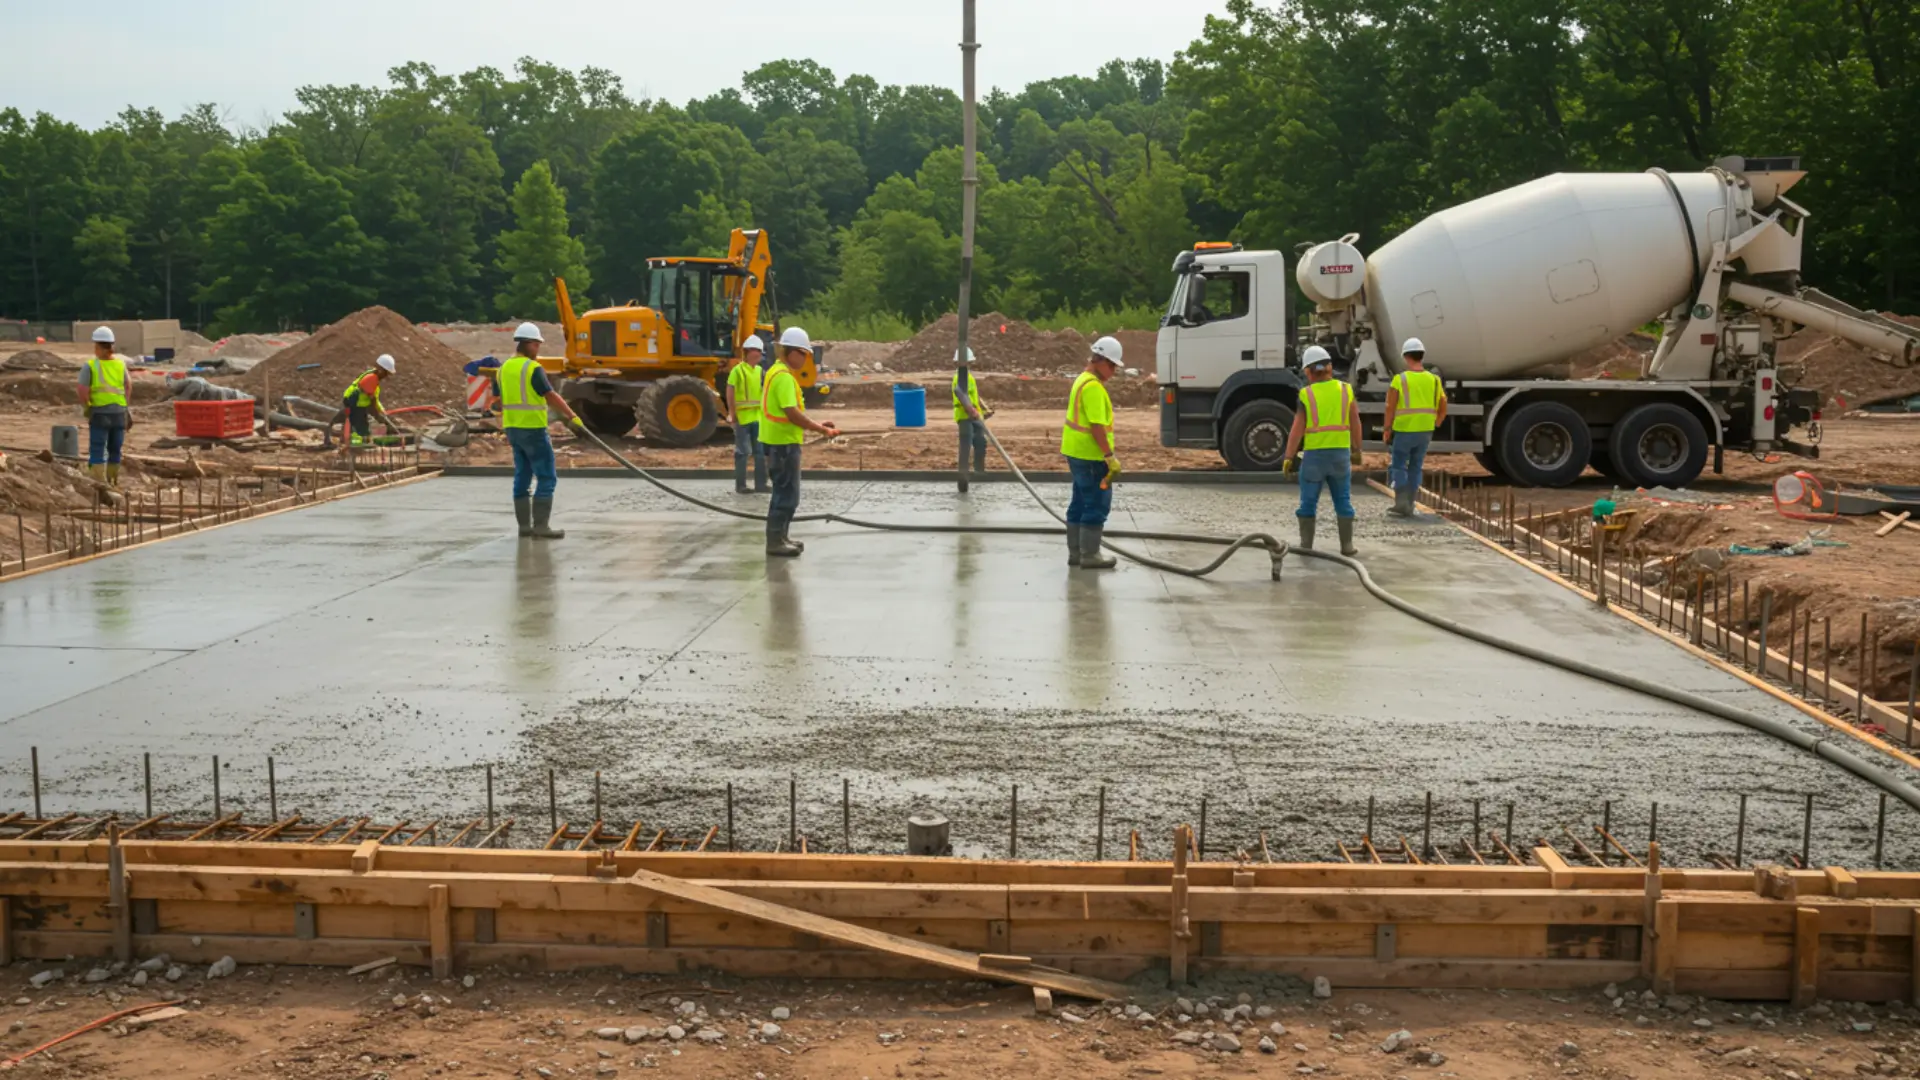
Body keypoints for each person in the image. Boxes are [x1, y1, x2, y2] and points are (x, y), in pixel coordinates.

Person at [497, 322, 586, 540]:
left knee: (523, 476)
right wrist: (571, 416)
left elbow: (502, 399)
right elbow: (550, 395)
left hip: (513, 429)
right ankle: (541, 527)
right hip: (533, 429)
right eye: (536, 345)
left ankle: (525, 527)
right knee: (546, 476)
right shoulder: (532, 368)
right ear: (528, 344)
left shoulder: (503, 369)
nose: (538, 349)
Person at [758, 327, 840, 557]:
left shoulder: (776, 372)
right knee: (787, 495)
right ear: (791, 352)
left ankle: (781, 537)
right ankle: (775, 541)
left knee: (783, 493)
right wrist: (820, 429)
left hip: (778, 442)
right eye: (803, 354)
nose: (805, 359)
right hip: (783, 444)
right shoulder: (783, 377)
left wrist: (817, 424)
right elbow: (791, 413)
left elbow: (791, 413)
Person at [1282, 345, 1363, 555]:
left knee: (1308, 500)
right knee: (1343, 500)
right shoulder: (1346, 390)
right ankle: (1347, 546)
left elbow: (1297, 429)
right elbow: (1356, 423)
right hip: (1340, 456)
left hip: (1314, 457)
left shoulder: (1306, 394)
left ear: (1308, 371)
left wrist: (1288, 457)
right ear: (1330, 367)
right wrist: (1357, 450)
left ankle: (1306, 546)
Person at [1060, 336, 1125, 570]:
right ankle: (1090, 554)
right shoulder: (1094, 388)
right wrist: (1109, 456)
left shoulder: (1081, 380)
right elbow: (1097, 426)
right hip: (1091, 456)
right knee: (1096, 503)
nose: (1114, 371)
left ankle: (1076, 553)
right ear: (1100, 361)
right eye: (1112, 366)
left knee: (1079, 501)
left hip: (1076, 452)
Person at [1382, 337, 1447, 516]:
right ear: (1422, 356)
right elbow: (1443, 404)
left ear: (1405, 357)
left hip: (1404, 430)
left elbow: (1390, 406)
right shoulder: (1434, 380)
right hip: (1425, 431)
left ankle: (1401, 503)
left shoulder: (1399, 379)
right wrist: (1436, 422)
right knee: (1416, 466)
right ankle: (1410, 503)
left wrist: (1387, 429)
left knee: (1399, 465)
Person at [76, 326, 130, 486]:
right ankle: (113, 481)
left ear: (99, 347)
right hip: (119, 413)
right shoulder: (121, 365)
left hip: (100, 413)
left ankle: (98, 481)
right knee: (115, 449)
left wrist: (87, 407)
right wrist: (124, 405)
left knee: (97, 448)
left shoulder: (91, 366)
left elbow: (82, 390)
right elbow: (128, 386)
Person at [727, 335, 769, 494]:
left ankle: (761, 484)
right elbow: (730, 391)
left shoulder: (760, 371)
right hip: (742, 418)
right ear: (748, 352)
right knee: (743, 452)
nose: (758, 354)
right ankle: (741, 485)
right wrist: (732, 413)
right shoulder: (737, 370)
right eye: (756, 351)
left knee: (759, 452)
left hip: (757, 418)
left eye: (760, 351)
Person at [340, 354, 404, 446]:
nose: (387, 376)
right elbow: (372, 401)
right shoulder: (371, 379)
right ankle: (357, 447)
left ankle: (352, 442)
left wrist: (381, 410)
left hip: (358, 403)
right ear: (381, 370)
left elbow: (374, 399)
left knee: (358, 425)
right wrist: (378, 415)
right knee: (361, 428)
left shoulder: (373, 377)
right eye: (386, 373)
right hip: (354, 402)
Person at [952, 347, 992, 492]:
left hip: (975, 416)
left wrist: (983, 408)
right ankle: (964, 475)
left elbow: (974, 395)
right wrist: (970, 410)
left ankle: (979, 471)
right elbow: (959, 393)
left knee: (980, 441)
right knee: (966, 445)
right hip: (965, 416)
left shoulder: (969, 377)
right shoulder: (959, 377)